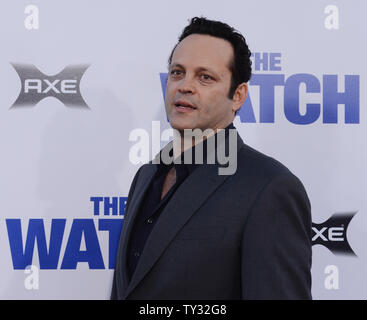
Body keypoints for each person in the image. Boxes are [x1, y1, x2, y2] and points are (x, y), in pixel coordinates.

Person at [111, 17, 312, 300]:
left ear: (238, 95)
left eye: (205, 77)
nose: (185, 86)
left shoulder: (269, 187)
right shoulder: (146, 175)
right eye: (177, 73)